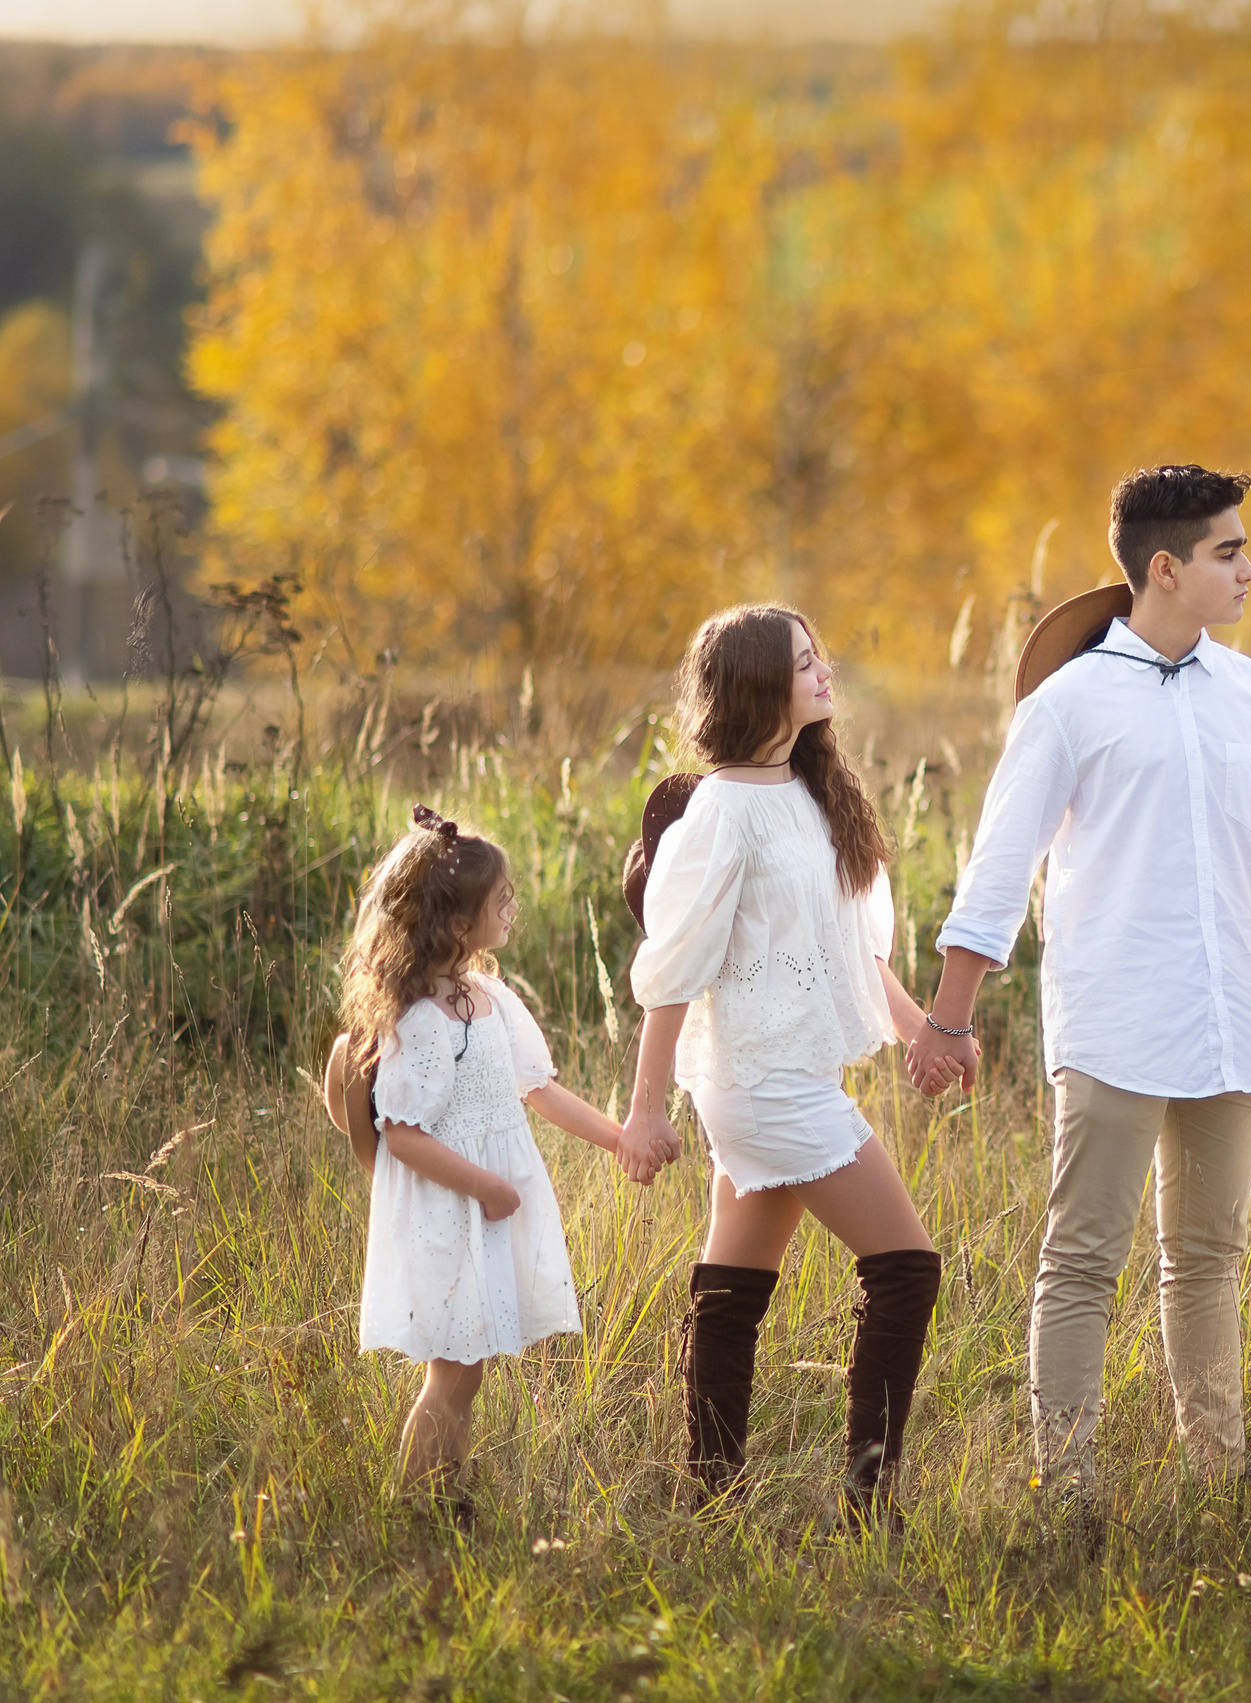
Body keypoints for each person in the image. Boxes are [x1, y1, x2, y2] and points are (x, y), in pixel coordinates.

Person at [907, 464, 1251, 1494]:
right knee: (1082, 1258)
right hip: (1113, 1016)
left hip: (1233, 1017)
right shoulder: (1066, 704)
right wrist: (950, 1019)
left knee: (1207, 1258)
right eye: (1227, 551)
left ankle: (1215, 1482)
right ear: (1165, 567)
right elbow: (997, 868)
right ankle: (1065, 1489)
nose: (1248, 568)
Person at [621, 605, 943, 1530]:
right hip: (762, 1082)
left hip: (793, 1073)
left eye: (820, 656)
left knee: (730, 1289)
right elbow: (673, 977)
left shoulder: (812, 791)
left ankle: (711, 1501)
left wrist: (922, 1030)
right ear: (761, 681)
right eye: (805, 662)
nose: (824, 671)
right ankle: (868, 1504)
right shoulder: (720, 814)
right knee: (908, 1267)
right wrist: (647, 1112)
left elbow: (853, 950)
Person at [341, 805, 627, 1519]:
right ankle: (415, 1506)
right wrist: (487, 1186)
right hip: (451, 1212)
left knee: (467, 1369)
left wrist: (618, 1138)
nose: (514, 909)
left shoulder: (488, 997)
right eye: (502, 900)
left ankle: (443, 1490)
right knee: (453, 1372)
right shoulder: (421, 1021)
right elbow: (402, 1132)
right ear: (460, 924)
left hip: (482, 1209)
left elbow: (539, 1088)